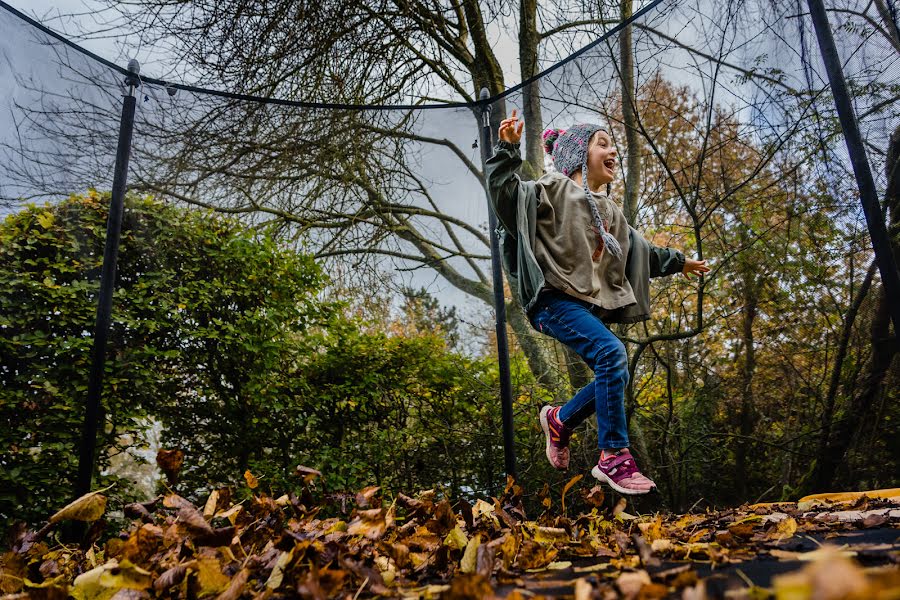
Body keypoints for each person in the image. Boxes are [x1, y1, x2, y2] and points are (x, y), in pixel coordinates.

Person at [485, 109, 710, 495]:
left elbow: (641, 252)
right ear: (577, 155)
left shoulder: (610, 211)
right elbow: (506, 196)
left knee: (614, 369)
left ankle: (560, 420)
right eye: (602, 143)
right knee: (612, 353)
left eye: (613, 146)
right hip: (551, 301)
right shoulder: (551, 188)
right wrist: (507, 150)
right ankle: (613, 457)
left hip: (582, 307)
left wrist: (678, 261)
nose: (613, 152)